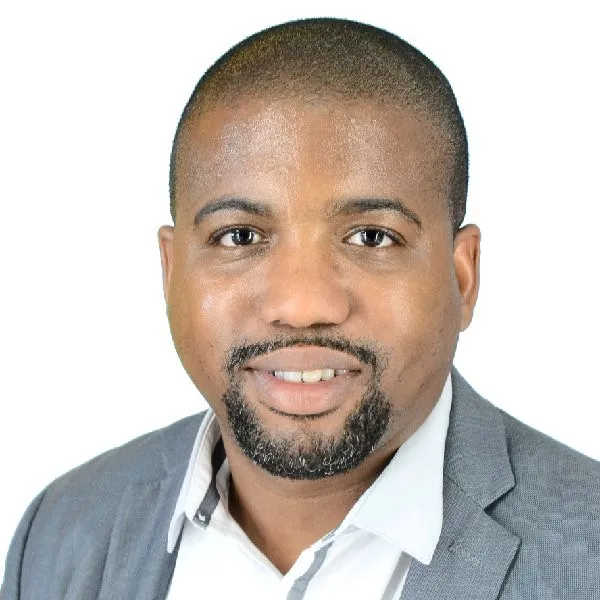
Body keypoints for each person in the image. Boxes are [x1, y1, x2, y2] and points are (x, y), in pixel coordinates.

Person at [2, 17, 599, 600]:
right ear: (170, 269)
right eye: (239, 236)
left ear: (462, 277)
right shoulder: (59, 533)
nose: (302, 305)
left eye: (372, 237)